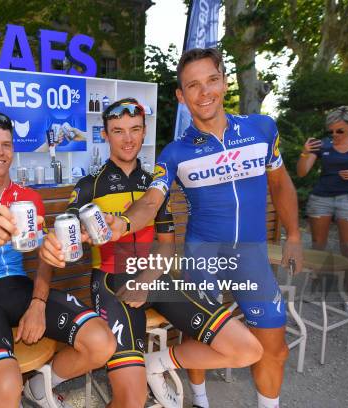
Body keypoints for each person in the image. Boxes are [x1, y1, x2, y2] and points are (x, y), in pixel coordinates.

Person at [104, 49, 303, 408]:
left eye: (211, 80)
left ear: (224, 82)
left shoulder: (261, 128)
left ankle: (165, 363)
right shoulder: (175, 152)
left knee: (275, 349)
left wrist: (295, 235)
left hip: (252, 258)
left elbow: (281, 183)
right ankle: (199, 399)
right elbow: (151, 201)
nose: (204, 92)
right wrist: (124, 222)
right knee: (205, 338)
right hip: (204, 256)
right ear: (181, 96)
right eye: (192, 85)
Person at [39, 98, 263, 408]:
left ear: (145, 133)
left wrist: (146, 280)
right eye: (118, 131)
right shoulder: (89, 184)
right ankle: (138, 370)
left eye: (134, 130)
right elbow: (68, 228)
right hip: (111, 281)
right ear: (104, 135)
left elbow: (167, 243)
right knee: (132, 401)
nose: (127, 139)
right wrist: (64, 236)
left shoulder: (155, 185)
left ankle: (157, 362)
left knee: (247, 348)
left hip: (156, 276)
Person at [0, 112, 116, 408]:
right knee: (5, 388)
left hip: (22, 291)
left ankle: (38, 388)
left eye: (6, 144)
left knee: (101, 342)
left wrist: (38, 303)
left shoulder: (28, 197)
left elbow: (45, 257)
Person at [297, 106, 348, 315]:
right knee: (318, 246)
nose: (334, 135)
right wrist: (305, 152)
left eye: (339, 131)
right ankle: (317, 288)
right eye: (331, 131)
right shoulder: (322, 146)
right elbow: (301, 172)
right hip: (321, 199)